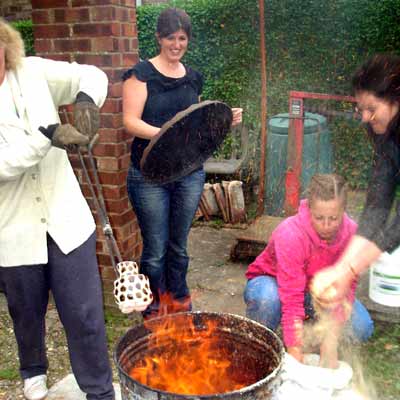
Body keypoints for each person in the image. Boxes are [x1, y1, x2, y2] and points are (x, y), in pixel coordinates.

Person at [0, 19, 115, 400]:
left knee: (84, 313)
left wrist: (84, 101)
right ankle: (33, 373)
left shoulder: (32, 71)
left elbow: (92, 75)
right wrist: (50, 135)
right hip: (12, 230)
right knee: (26, 312)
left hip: (66, 220)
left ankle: (99, 391)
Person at [122, 7, 242, 318]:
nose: (176, 44)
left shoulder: (193, 78)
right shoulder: (141, 75)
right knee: (156, 250)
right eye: (170, 38)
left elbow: (195, 127)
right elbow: (130, 122)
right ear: (159, 38)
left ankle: (180, 306)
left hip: (188, 173)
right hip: (149, 175)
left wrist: (224, 121)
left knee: (179, 247)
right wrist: (167, 135)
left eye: (182, 38)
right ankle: (154, 310)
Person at [244, 174, 373, 368]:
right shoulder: (290, 234)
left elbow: (347, 285)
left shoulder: (353, 234)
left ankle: (312, 330)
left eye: (334, 218)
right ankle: (259, 341)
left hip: (315, 292)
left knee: (362, 327)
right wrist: (295, 349)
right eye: (319, 218)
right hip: (273, 283)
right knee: (267, 300)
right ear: (309, 209)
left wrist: (331, 340)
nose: (327, 225)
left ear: (344, 210)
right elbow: (291, 294)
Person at [312, 54, 400, 308]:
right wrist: (341, 269)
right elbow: (376, 207)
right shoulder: (387, 138)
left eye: (372, 109)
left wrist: (349, 271)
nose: (364, 117)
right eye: (361, 109)